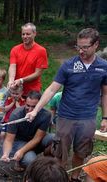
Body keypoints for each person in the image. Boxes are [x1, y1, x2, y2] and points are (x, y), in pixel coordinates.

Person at [25, 28, 107, 182]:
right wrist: (36, 110)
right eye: (78, 47)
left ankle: (74, 178)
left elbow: (106, 94)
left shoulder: (103, 67)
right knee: (60, 152)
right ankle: (59, 178)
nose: (81, 51)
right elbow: (51, 89)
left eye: (85, 47)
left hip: (88, 118)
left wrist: (105, 117)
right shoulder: (68, 65)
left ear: (96, 45)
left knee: (80, 152)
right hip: (66, 117)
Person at [1, 91, 53, 172]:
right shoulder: (16, 114)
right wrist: (5, 154)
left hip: (36, 140)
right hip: (19, 142)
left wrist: (22, 151)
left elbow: (37, 139)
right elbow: (9, 139)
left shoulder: (46, 115)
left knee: (54, 138)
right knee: (31, 161)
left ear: (40, 105)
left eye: (34, 107)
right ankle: (25, 162)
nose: (30, 109)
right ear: (25, 102)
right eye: (28, 106)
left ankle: (47, 163)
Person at [7, 23, 48, 97]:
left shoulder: (41, 51)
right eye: (23, 34)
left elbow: (38, 73)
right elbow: (12, 66)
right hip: (16, 90)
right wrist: (11, 80)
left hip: (32, 92)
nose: (25, 36)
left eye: (28, 34)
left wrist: (21, 80)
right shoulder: (15, 49)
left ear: (34, 34)